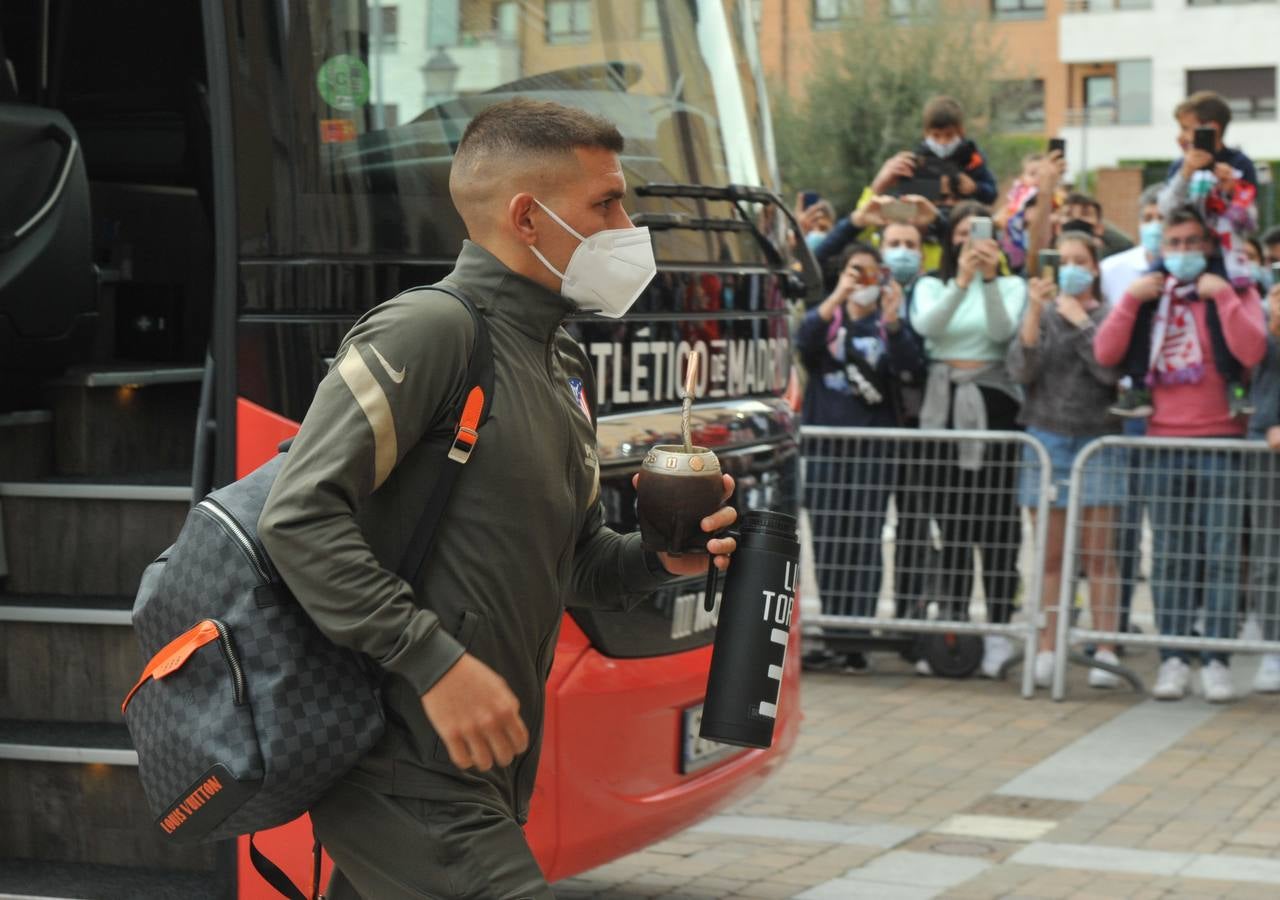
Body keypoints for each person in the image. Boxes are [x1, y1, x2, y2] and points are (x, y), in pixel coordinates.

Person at [258, 99, 739, 899]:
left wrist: (660, 559)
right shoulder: (427, 332)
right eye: (606, 204)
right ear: (528, 217)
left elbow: (576, 561)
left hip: (478, 771)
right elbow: (298, 514)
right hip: (402, 767)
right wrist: (434, 662)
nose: (628, 227)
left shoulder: (560, 359)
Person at [1094, 204, 1267, 703]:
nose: (1185, 253)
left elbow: (1253, 350)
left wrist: (1225, 299)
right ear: (1160, 247)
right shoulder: (1149, 295)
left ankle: (1215, 657)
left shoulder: (1236, 288)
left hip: (1221, 439)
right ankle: (1172, 657)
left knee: (1219, 554)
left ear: (1211, 247)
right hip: (1161, 440)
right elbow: (1106, 353)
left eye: (1195, 243)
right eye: (1176, 243)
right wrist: (1129, 301)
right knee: (1170, 556)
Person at [911, 202, 1027, 677]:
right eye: (961, 234)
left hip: (993, 404)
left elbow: (1003, 333)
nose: (969, 242)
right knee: (952, 525)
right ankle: (952, 629)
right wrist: (961, 282)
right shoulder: (930, 284)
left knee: (999, 527)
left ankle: (999, 629)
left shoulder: (1012, 285)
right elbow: (927, 329)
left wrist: (988, 280)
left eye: (978, 234)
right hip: (943, 409)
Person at [797, 243, 926, 658]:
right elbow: (804, 342)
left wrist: (893, 323)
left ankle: (857, 637)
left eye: (871, 273)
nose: (862, 281)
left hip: (873, 448)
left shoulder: (886, 326)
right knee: (829, 539)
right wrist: (837, 295)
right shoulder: (828, 319)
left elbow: (911, 368)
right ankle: (833, 631)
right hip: (823, 447)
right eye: (855, 271)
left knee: (865, 540)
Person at [1007, 232, 1124, 689]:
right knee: (1051, 556)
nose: (1072, 268)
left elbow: (1108, 370)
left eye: (1081, 260)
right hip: (1046, 439)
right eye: (1064, 260)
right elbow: (1021, 369)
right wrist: (1036, 311)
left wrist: (1082, 322)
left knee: (1098, 554)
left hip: (1096, 440)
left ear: (1095, 267)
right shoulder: (1042, 311)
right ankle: (1048, 645)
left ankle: (1105, 645)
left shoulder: (1108, 314)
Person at [1247, 280, 1280, 693]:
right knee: (1269, 554)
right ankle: (1274, 647)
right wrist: (1271, 321)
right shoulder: (1260, 313)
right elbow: (1250, 361)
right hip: (1266, 442)